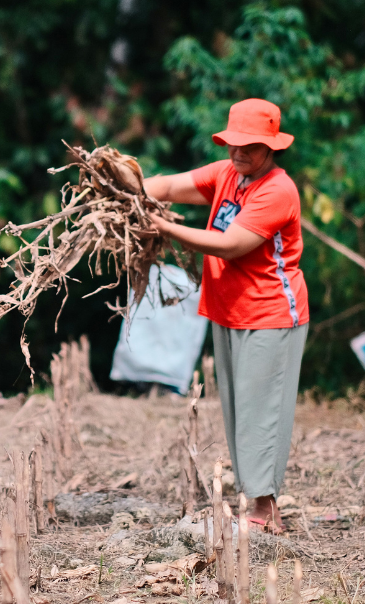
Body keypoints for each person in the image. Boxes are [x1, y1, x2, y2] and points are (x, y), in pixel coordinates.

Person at [142, 98, 308, 533]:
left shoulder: (277, 190)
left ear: (271, 147)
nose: (238, 152)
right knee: (238, 410)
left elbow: (231, 244)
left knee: (260, 410)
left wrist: (166, 229)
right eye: (234, 143)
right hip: (229, 309)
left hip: (270, 313)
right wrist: (123, 185)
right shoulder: (226, 175)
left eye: (249, 146)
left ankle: (263, 510)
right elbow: (169, 186)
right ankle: (258, 503)